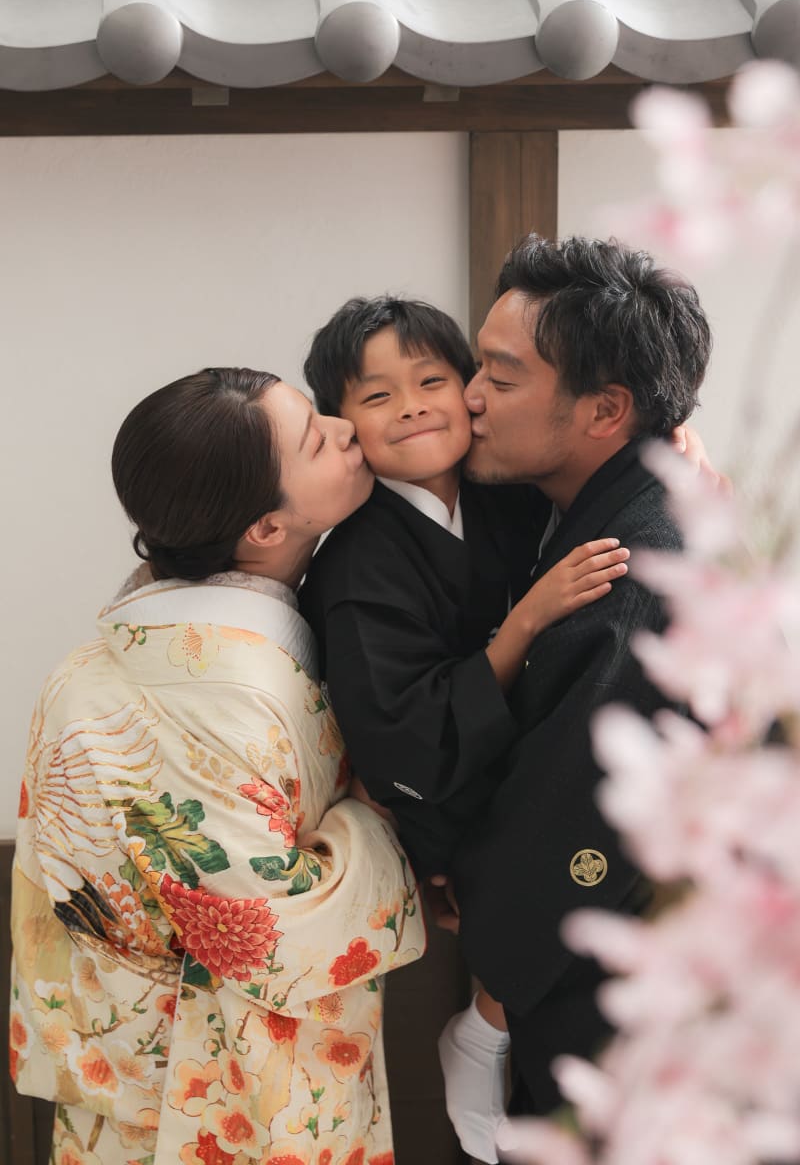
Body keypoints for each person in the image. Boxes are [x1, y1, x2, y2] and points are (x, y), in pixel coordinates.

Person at [9, 367, 426, 1165]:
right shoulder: (225, 696)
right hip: (205, 1093)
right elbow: (270, 937)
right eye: (317, 440)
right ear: (267, 528)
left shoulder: (96, 661)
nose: (346, 430)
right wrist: (374, 812)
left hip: (122, 1067)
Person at [299, 297, 632, 1162]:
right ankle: (486, 1028)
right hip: (437, 793)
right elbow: (405, 734)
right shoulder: (359, 561)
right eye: (378, 397)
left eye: (431, 381)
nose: (411, 407)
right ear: (345, 425)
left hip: (522, 765)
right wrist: (526, 620)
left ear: (470, 389)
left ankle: (492, 1021)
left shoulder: (504, 492)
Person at [439, 234, 712, 1133]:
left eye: (501, 377)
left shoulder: (636, 577)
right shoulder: (595, 498)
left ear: (605, 410)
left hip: (630, 1018)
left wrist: (470, 904)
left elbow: (568, 813)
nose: (469, 397)